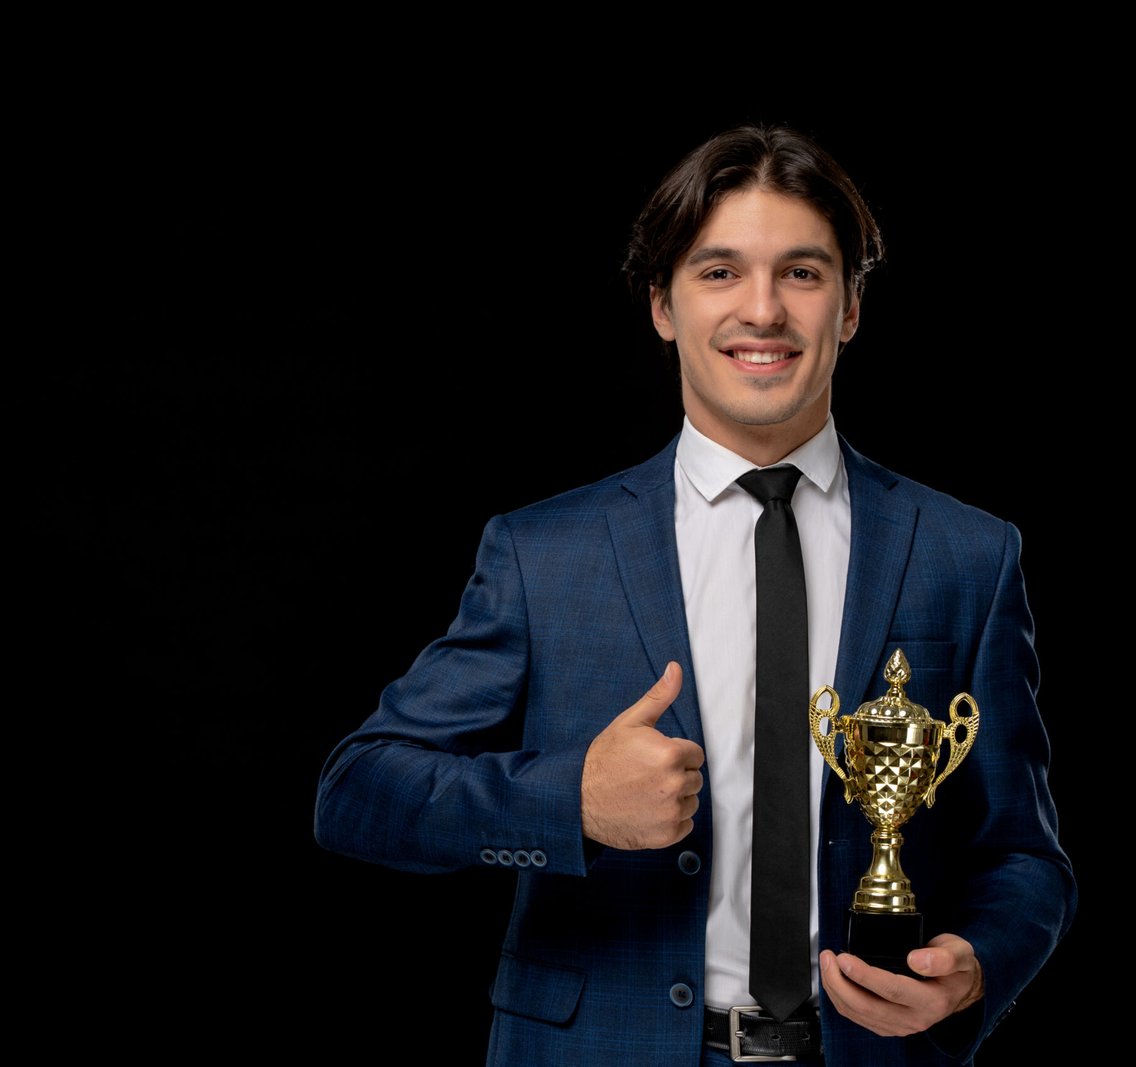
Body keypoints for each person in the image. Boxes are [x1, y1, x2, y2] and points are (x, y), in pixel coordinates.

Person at [312, 124, 1075, 1065]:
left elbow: (1025, 857)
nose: (763, 311)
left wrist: (979, 961)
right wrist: (572, 802)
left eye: (802, 272)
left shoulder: (968, 554)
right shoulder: (543, 552)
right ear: (662, 305)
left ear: (850, 308)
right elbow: (358, 791)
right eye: (719, 272)